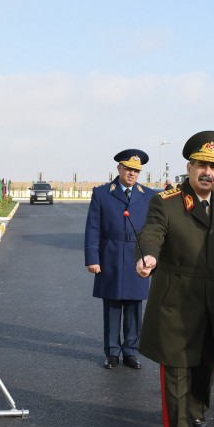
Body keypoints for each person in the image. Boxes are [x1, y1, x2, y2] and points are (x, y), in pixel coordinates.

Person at [135, 131, 214, 427]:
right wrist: (149, 257)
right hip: (176, 300)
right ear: (189, 166)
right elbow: (152, 231)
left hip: (213, 299)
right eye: (201, 164)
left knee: (205, 366)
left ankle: (195, 412)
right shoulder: (166, 202)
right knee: (178, 371)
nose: (207, 172)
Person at [84, 149, 157, 369]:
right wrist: (92, 258)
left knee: (135, 306)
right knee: (113, 306)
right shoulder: (102, 193)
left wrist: (152, 257)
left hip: (137, 256)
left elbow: (154, 229)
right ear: (119, 169)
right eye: (128, 169)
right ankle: (112, 352)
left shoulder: (149, 195)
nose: (132, 174)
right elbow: (93, 228)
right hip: (111, 255)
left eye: (136, 170)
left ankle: (131, 352)